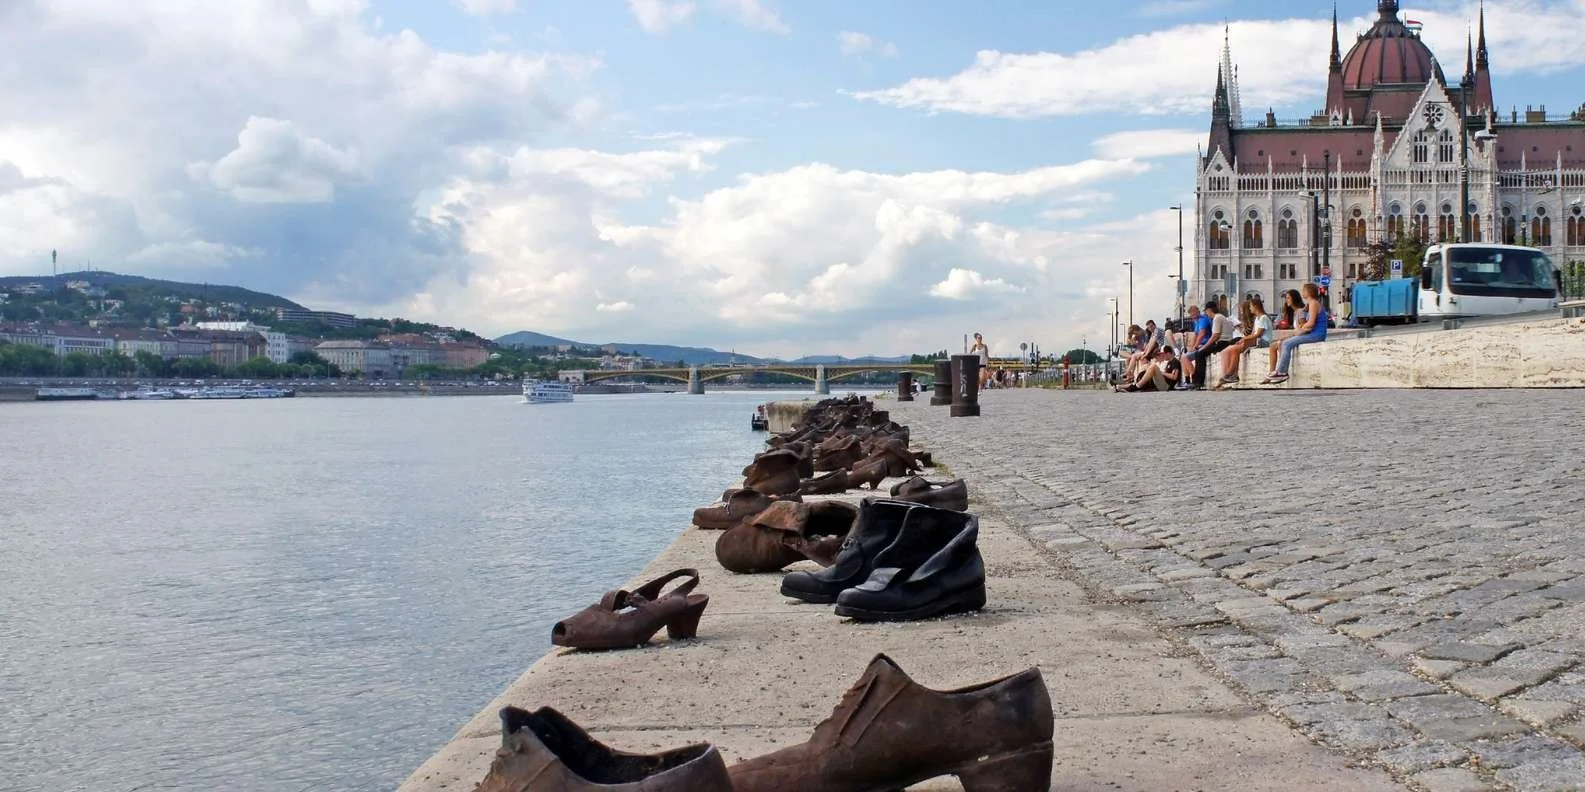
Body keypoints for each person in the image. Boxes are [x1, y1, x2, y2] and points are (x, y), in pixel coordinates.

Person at [1263, 283, 1329, 384]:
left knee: (1286, 343)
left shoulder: (1313, 303)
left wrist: (1301, 328)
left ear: (1309, 292)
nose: (1302, 292)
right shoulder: (1311, 304)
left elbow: (1311, 323)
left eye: (1304, 290)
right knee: (1285, 342)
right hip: (1314, 334)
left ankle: (1282, 372)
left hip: (1317, 335)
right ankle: (1280, 371)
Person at [1218, 296, 1271, 386]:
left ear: (1255, 306)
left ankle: (1231, 374)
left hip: (1263, 341)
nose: (1250, 308)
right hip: (1255, 340)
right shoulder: (1258, 319)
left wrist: (1244, 339)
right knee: (1232, 349)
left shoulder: (1263, 318)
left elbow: (1258, 334)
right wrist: (1243, 339)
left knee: (1235, 350)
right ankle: (1230, 375)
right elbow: (1253, 334)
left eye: (1251, 306)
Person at [1186, 300, 1232, 389]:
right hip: (1223, 341)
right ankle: (1198, 382)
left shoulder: (1217, 318)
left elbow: (1215, 336)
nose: (1206, 313)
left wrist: (1205, 346)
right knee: (1200, 353)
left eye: (1206, 311)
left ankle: (1199, 382)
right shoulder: (1219, 317)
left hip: (1222, 342)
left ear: (1209, 310)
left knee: (1199, 354)